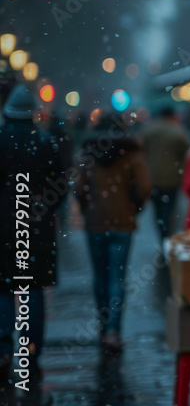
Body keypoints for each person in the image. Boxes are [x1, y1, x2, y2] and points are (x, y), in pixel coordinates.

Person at [0, 86, 70, 387]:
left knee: (3, 288)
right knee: (33, 289)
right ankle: (31, 353)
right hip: (35, 227)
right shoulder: (45, 141)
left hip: (2, 226)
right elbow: (61, 186)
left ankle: (3, 350)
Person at [74, 112, 151, 353]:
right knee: (117, 278)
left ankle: (102, 325)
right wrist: (133, 208)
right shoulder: (131, 153)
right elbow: (145, 186)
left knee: (100, 277)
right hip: (122, 224)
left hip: (96, 223)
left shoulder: (88, 153)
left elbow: (78, 187)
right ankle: (113, 331)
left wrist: (89, 207)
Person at [141, 106, 190, 241]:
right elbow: (185, 154)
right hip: (172, 179)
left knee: (158, 211)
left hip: (153, 179)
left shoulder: (148, 130)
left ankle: (162, 235)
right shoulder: (178, 131)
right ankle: (167, 237)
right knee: (169, 210)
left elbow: (142, 152)